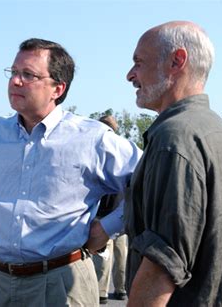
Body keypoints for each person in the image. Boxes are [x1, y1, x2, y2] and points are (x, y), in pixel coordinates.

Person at [0, 38, 142, 306]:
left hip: (62, 282)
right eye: (14, 72)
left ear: (57, 88)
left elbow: (148, 180)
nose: (15, 81)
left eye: (28, 75)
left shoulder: (91, 138)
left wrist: (108, 227)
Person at [124, 20, 222, 306]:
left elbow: (163, 263)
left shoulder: (175, 137)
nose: (130, 75)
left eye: (139, 62)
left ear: (177, 61)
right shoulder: (215, 128)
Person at [92, 115, 128, 304]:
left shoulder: (104, 150)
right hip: (116, 214)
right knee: (116, 256)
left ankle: (105, 291)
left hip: (108, 214)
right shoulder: (122, 149)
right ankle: (115, 290)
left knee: (107, 257)